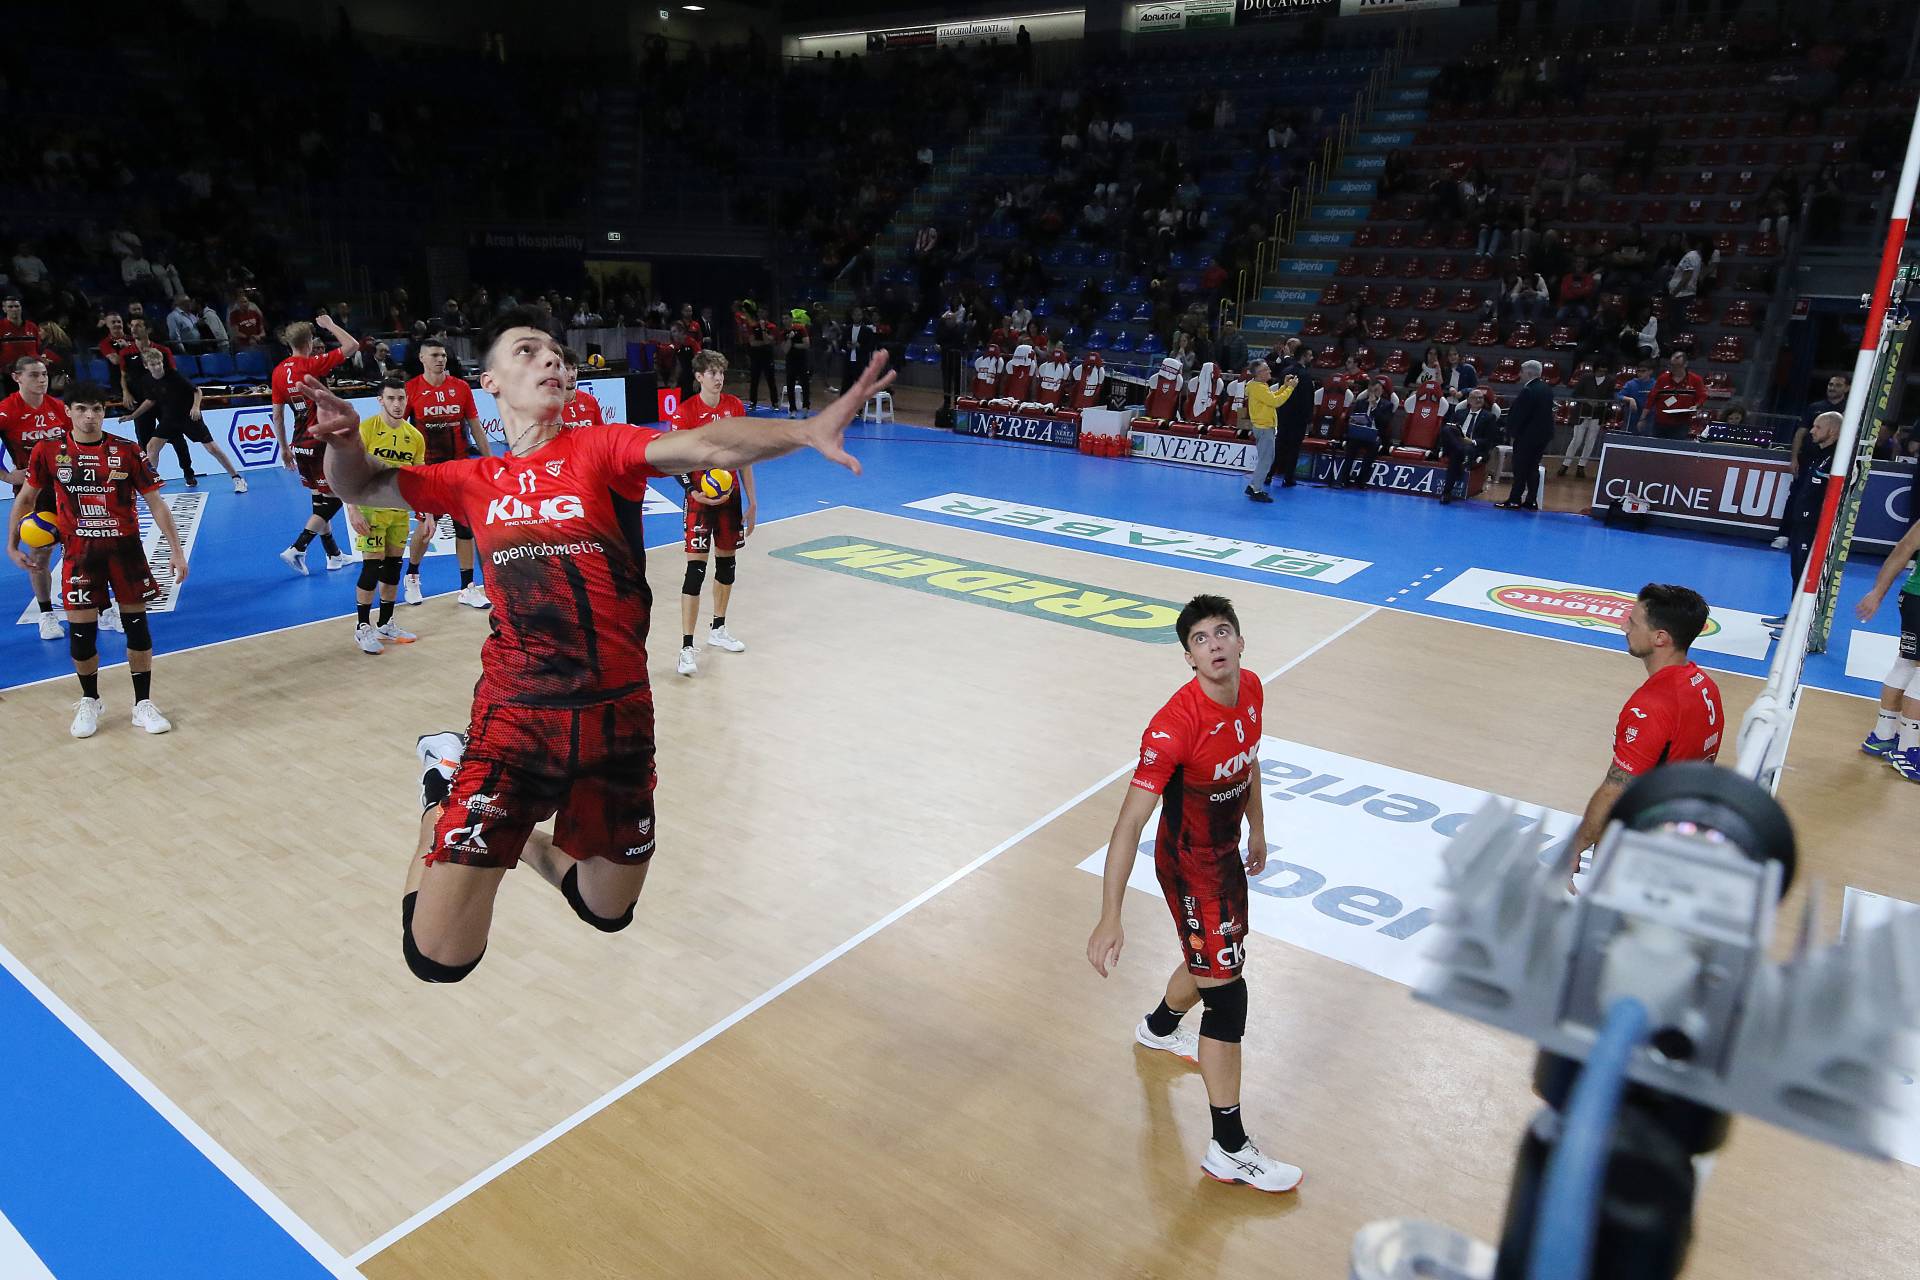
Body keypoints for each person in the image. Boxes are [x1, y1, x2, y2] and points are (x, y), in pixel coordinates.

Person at [302, 308, 892, 985]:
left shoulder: (600, 450)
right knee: (438, 957)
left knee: (605, 909)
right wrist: (343, 440)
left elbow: (706, 445)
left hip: (618, 718)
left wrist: (803, 430)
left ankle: (515, 840)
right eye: (528, 351)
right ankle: (443, 786)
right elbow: (361, 483)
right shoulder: (469, 480)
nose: (551, 359)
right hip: (516, 719)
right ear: (490, 382)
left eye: (556, 352)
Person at [1084, 593, 1302, 1195]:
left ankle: (1159, 1027)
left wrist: (1258, 828)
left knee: (1216, 957)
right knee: (1228, 999)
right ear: (1189, 658)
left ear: (1240, 642)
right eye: (1200, 639)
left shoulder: (1251, 689)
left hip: (1224, 854)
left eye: (1222, 632)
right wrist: (1110, 916)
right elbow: (1128, 823)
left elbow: (1249, 764)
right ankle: (1228, 1148)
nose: (1214, 645)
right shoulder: (1173, 726)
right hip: (1187, 867)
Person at [6, 383, 186, 738]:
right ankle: (90, 699)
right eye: (82, 409)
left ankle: (142, 704)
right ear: (68, 412)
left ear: (105, 412)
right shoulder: (48, 451)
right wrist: (12, 546)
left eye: (97, 409)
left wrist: (176, 550)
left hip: (125, 551)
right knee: (82, 636)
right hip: (79, 555)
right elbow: (26, 499)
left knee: (137, 629)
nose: (90, 416)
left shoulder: (127, 450)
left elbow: (156, 502)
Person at [1559, 584, 1723, 892]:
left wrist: (1575, 846)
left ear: (1660, 638)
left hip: (1641, 849)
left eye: (1633, 622)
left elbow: (1615, 791)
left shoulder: (1651, 706)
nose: (1623, 626)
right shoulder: (1705, 685)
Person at [670, 351, 754, 677]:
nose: (718, 378)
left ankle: (718, 628)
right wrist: (693, 491)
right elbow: (674, 459)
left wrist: (752, 501)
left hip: (730, 499)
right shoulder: (686, 412)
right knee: (695, 572)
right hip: (700, 501)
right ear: (699, 377)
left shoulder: (734, 406)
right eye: (711, 373)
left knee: (727, 565)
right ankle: (686, 648)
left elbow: (745, 455)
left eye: (721, 372)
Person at [402, 337, 491, 608]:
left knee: (465, 528)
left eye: (442, 355)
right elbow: (400, 429)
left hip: (459, 469)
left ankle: (467, 587)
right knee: (426, 528)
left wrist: (489, 461)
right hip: (427, 472)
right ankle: (412, 576)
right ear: (422, 358)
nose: (440, 359)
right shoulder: (411, 389)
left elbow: (475, 426)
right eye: (434, 355)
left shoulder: (461, 388)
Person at [274, 315, 362, 576]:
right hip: (322, 442)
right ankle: (298, 547)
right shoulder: (311, 364)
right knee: (337, 495)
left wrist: (284, 448)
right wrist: (330, 325)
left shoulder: (278, 372)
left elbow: (277, 415)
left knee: (319, 499)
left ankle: (333, 555)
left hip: (299, 442)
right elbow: (352, 346)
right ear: (309, 342)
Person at [350, 375, 424, 655]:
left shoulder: (414, 436)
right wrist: (352, 509)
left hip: (399, 510)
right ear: (380, 400)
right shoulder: (366, 429)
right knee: (372, 567)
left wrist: (427, 512)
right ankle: (362, 627)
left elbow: (418, 478)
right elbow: (349, 471)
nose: (397, 404)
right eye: (391, 398)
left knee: (393, 566)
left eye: (401, 398)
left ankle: (385, 623)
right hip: (370, 509)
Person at [0, 355, 72, 639]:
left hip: (67, 487)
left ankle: (100, 608)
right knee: (40, 553)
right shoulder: (7, 411)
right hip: (34, 492)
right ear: (17, 377)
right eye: (33, 375)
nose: (41, 379)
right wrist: (7, 476)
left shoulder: (59, 408)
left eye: (44, 374)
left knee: (84, 549)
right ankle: (46, 615)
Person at [1853, 513, 1920, 781]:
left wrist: (1877, 593)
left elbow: (1904, 548)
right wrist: (1876, 594)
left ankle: (1883, 735)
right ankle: (1909, 751)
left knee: (1906, 663)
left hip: (1912, 598)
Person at [125, 346, 247, 493]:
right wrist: (133, 415)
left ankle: (237, 478)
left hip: (188, 417)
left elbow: (197, 391)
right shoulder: (147, 380)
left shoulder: (174, 376)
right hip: (169, 419)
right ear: (146, 366)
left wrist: (196, 408)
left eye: (159, 363)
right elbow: (150, 400)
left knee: (212, 448)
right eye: (153, 364)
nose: (157, 367)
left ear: (162, 362)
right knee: (151, 447)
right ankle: (150, 485)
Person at [1762, 410, 1841, 634]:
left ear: (1832, 431)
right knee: (1797, 573)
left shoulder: (1837, 460)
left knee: (1808, 575)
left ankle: (1804, 624)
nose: (1812, 431)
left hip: (1814, 527)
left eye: (1818, 427)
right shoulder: (1817, 454)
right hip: (1801, 523)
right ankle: (1795, 616)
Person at [1499, 359, 1554, 510]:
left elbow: (1520, 415)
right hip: (1543, 436)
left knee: (1520, 468)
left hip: (1527, 436)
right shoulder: (1546, 388)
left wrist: (1511, 432)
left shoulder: (1528, 390)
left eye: (1522, 372)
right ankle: (1531, 500)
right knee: (1533, 467)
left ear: (1529, 373)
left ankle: (1515, 499)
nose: (1520, 374)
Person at [1438, 386, 1502, 506]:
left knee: (1458, 455)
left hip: (1472, 446)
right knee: (1446, 429)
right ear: (1468, 400)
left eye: (1481, 398)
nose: (1478, 400)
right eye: (1475, 398)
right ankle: (1460, 452)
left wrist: (1472, 441)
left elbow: (1490, 440)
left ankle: (1446, 493)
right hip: (1456, 443)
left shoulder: (1489, 417)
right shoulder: (1459, 413)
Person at [1334, 376, 1397, 488]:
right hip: (1359, 433)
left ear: (1381, 391)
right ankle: (1344, 479)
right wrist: (1354, 420)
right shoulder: (1360, 403)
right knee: (1350, 448)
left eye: (1377, 390)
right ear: (1368, 391)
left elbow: (1384, 422)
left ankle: (1361, 481)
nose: (1374, 393)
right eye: (1372, 390)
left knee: (1372, 450)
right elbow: (1351, 418)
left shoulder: (1387, 405)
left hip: (1375, 435)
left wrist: (1374, 407)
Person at [1558, 358, 1612, 479]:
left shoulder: (1609, 381)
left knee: (1590, 440)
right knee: (1577, 439)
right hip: (1582, 412)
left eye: (1604, 370)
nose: (1602, 372)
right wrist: (1587, 401)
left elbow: (1610, 397)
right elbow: (1575, 394)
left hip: (1597, 414)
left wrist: (1601, 403)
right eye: (1600, 370)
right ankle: (1565, 464)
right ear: (1595, 369)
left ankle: (1581, 465)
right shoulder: (1586, 378)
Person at [1240, 360, 1285, 503]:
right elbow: (1276, 402)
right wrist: (1290, 389)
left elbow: (1272, 397)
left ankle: (1253, 485)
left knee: (1265, 460)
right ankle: (1256, 490)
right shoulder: (1258, 388)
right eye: (1266, 369)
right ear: (1259, 374)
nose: (1270, 371)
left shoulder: (1258, 386)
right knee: (1266, 461)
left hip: (1263, 426)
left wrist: (1285, 386)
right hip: (1264, 428)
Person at [560, 349, 605, 427]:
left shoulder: (590, 400)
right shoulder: (548, 406)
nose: (572, 375)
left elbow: (601, 431)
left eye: (574, 368)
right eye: (566, 369)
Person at [784, 309, 812, 415]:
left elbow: (806, 344)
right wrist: (790, 339)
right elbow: (785, 350)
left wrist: (794, 345)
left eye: (787, 318)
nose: (785, 320)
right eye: (783, 319)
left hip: (802, 360)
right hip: (790, 361)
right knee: (790, 385)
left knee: (805, 384)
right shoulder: (783, 332)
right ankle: (793, 409)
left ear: (791, 319)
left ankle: (806, 406)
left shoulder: (800, 328)